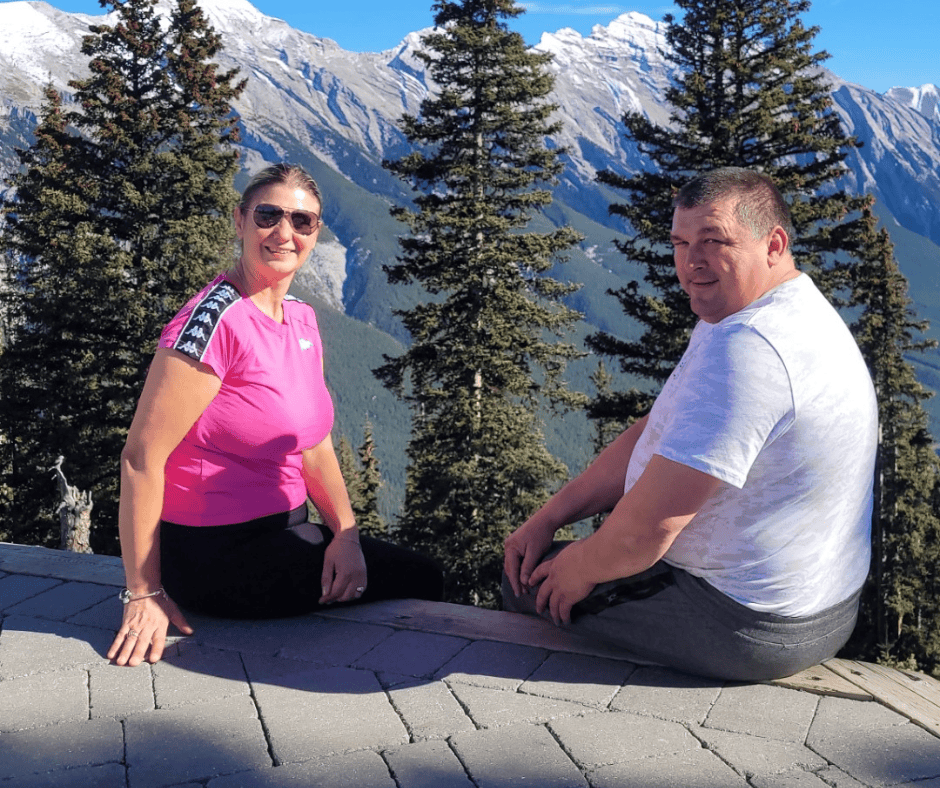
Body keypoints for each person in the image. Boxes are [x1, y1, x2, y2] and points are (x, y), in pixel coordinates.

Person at [502, 167, 878, 682]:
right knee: (553, 560)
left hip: (745, 620)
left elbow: (645, 533)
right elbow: (658, 430)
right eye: (680, 243)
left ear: (773, 244)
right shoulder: (775, 309)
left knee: (524, 581)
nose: (690, 262)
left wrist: (581, 566)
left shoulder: (751, 348)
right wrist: (552, 515)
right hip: (817, 603)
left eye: (713, 241)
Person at [108, 163, 443, 668]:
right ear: (240, 221)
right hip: (216, 554)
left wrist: (346, 534)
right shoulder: (212, 324)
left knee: (406, 576)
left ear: (316, 233)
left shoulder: (301, 319)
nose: (284, 233)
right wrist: (143, 594)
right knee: (423, 581)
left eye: (302, 221)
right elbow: (140, 459)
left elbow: (314, 442)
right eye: (268, 215)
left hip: (286, 532)